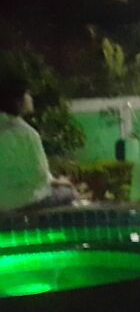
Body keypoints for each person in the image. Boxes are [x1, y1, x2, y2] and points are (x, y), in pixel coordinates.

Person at [0, 76, 79, 211]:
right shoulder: (28, 134)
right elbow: (39, 174)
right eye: (28, 94)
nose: (31, 98)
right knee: (69, 193)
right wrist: (57, 182)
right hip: (23, 200)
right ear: (19, 101)